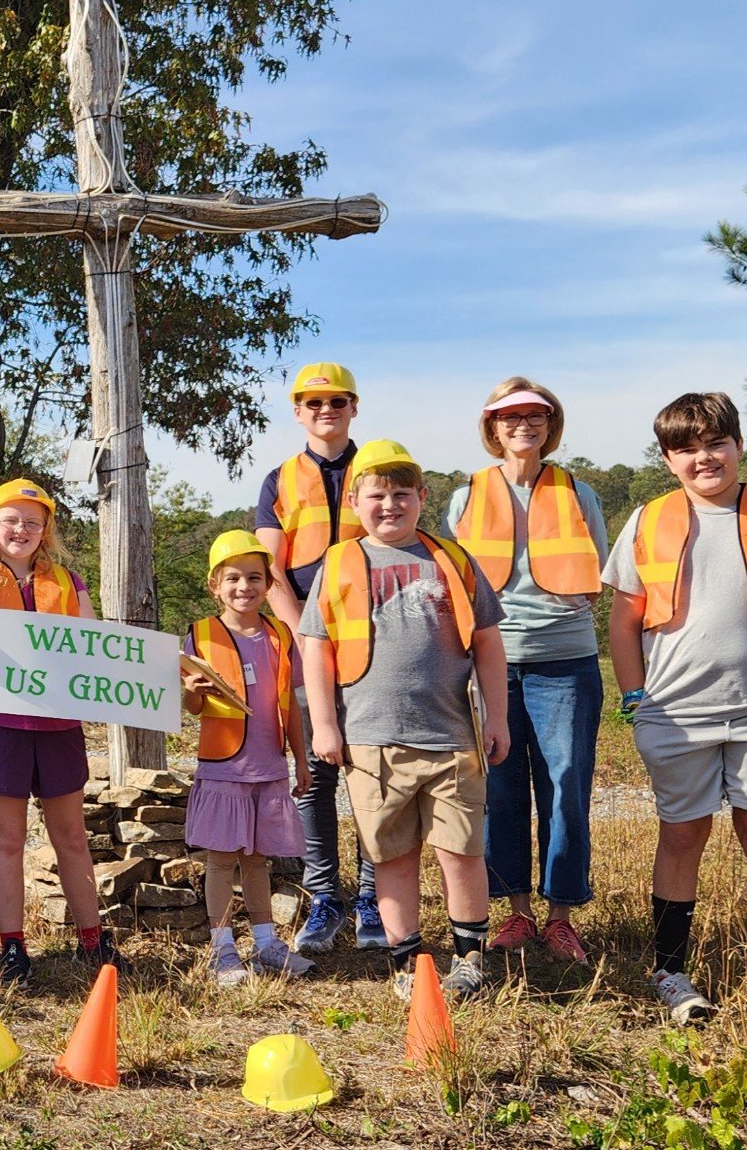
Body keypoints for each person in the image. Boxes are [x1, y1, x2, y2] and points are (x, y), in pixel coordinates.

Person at [602, 392, 747, 1025]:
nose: (703, 458)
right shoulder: (647, 520)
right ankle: (671, 972)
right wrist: (635, 698)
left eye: (715, 443)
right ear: (667, 459)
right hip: (676, 713)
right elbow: (623, 620)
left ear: (739, 446)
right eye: (686, 448)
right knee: (683, 834)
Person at [298, 440, 511, 1003]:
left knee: (462, 852)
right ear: (356, 501)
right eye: (376, 495)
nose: (388, 505)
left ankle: (470, 958)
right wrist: (325, 725)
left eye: (401, 494)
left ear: (421, 497)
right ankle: (407, 959)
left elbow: (488, 643)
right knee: (390, 854)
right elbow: (314, 649)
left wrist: (497, 718)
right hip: (371, 738)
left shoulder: (453, 560)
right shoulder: (340, 562)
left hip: (452, 737)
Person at [441, 378, 610, 963]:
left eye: (535, 414)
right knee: (501, 790)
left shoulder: (580, 492)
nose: (523, 424)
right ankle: (514, 913)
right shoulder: (464, 496)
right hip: (491, 665)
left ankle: (561, 915)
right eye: (509, 416)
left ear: (549, 423)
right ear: (492, 427)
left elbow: (597, 574)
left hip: (567, 661)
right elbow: (454, 584)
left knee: (567, 786)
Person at [0, 478, 120, 985]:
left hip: (60, 724)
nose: (20, 529)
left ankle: (93, 939)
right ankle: (12, 947)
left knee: (71, 836)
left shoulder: (69, 582)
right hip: (1, 726)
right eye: (10, 520)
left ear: (45, 529)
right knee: (8, 838)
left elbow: (93, 644)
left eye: (31, 521)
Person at [253, 361, 386, 954]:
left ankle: (373, 898)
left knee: (375, 772)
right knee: (314, 774)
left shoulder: (380, 467)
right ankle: (324, 896)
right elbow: (268, 568)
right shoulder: (279, 478)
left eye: (336, 402)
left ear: (354, 407)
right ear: (298, 411)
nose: (325, 412)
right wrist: (305, 632)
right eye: (313, 403)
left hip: (374, 638)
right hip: (305, 636)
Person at [179, 530, 314, 986]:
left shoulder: (278, 634)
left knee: (258, 860)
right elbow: (193, 708)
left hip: (269, 766)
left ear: (268, 583)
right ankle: (221, 950)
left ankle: (267, 944)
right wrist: (190, 694)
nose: (245, 587)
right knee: (221, 860)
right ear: (215, 584)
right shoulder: (199, 635)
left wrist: (301, 757)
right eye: (233, 578)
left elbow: (290, 703)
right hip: (223, 767)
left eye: (255, 577)